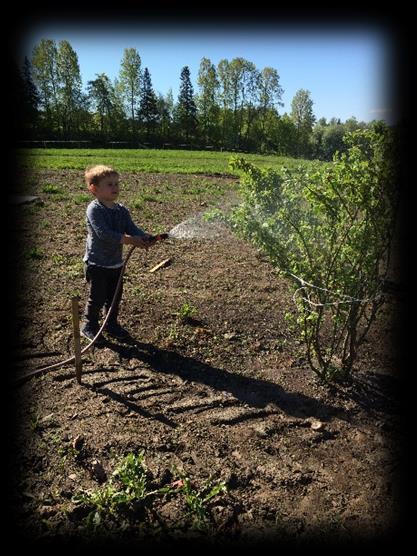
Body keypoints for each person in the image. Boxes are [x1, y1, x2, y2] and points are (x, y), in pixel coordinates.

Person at [81, 164, 156, 344]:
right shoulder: (95, 209)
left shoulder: (121, 210)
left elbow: (131, 228)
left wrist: (144, 236)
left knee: (114, 297)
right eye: (109, 184)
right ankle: (89, 325)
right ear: (94, 188)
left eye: (116, 184)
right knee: (97, 297)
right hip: (97, 263)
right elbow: (104, 234)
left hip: (115, 264)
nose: (115, 187)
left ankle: (111, 324)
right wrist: (131, 240)